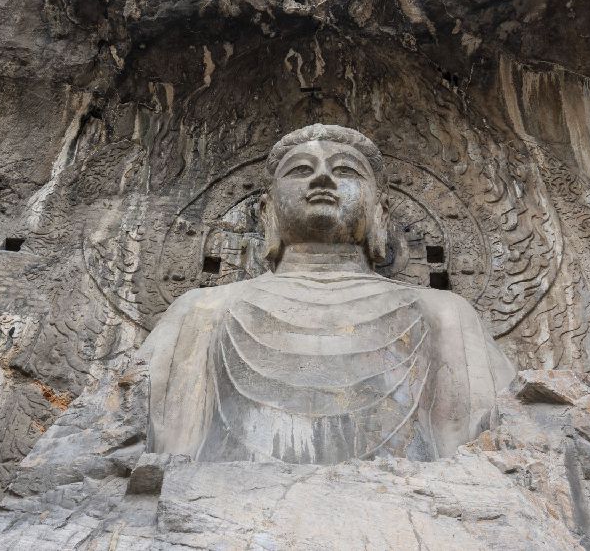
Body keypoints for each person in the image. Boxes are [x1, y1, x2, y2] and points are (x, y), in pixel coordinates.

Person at [143, 124, 514, 463]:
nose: (322, 178)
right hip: (218, 500)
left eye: (346, 171)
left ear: (380, 211)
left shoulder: (444, 312)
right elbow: (154, 433)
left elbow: (477, 441)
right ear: (267, 210)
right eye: (301, 170)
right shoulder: (202, 309)